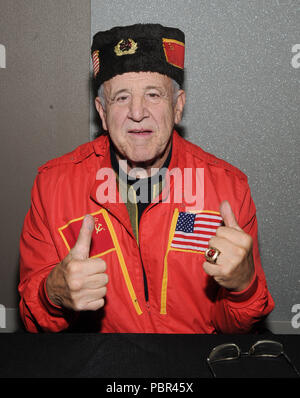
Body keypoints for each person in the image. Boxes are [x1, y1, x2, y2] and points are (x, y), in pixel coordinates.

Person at [19, 23, 274, 333]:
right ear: (102, 112)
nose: (137, 112)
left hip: (191, 367)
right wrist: (52, 294)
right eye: (121, 98)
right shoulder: (52, 186)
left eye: (153, 95)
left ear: (178, 106)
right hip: (105, 365)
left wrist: (243, 286)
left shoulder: (228, 189)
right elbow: (34, 321)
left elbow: (232, 327)